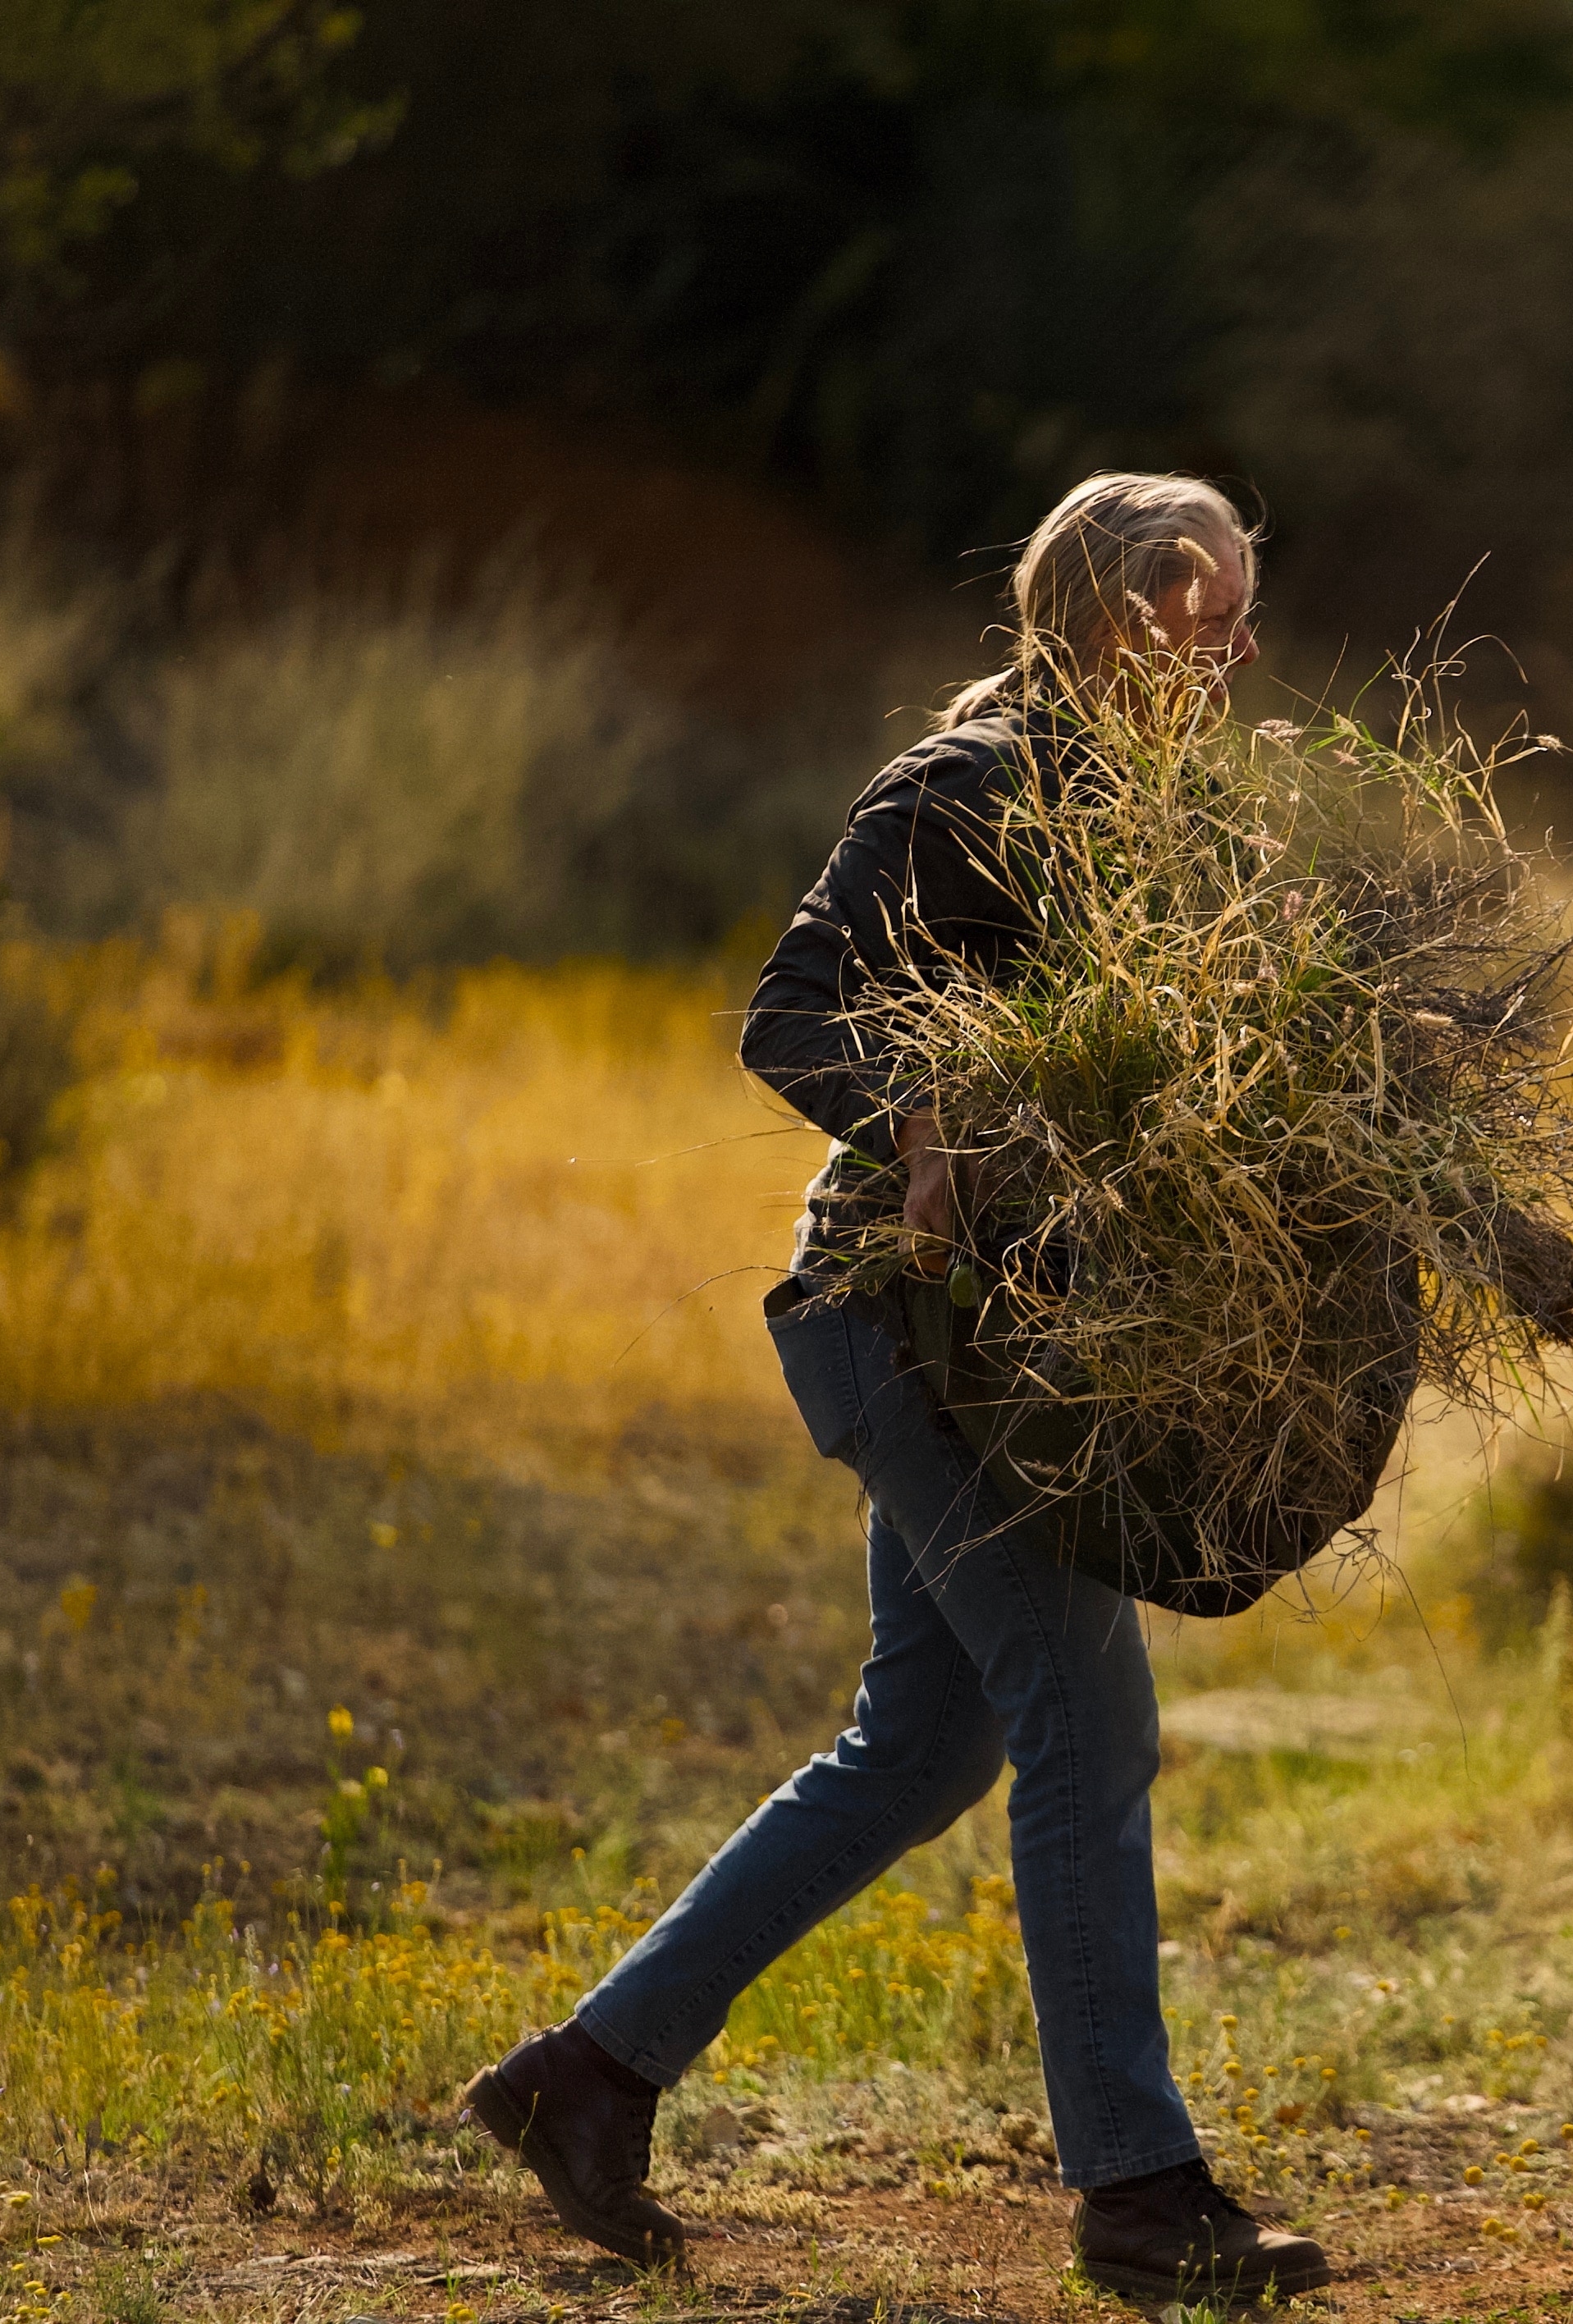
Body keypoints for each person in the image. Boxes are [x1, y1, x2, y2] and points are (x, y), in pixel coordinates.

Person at [464, 472, 1332, 2305]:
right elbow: (790, 1008)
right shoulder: (970, 784)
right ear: (1112, 613)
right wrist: (923, 1124)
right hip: (909, 1329)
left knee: (923, 1743)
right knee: (1083, 1730)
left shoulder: (1151, 809)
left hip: (1012, 1353)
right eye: (1208, 617)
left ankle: (587, 2078)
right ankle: (1140, 2199)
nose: (1237, 653)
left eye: (1245, 616)